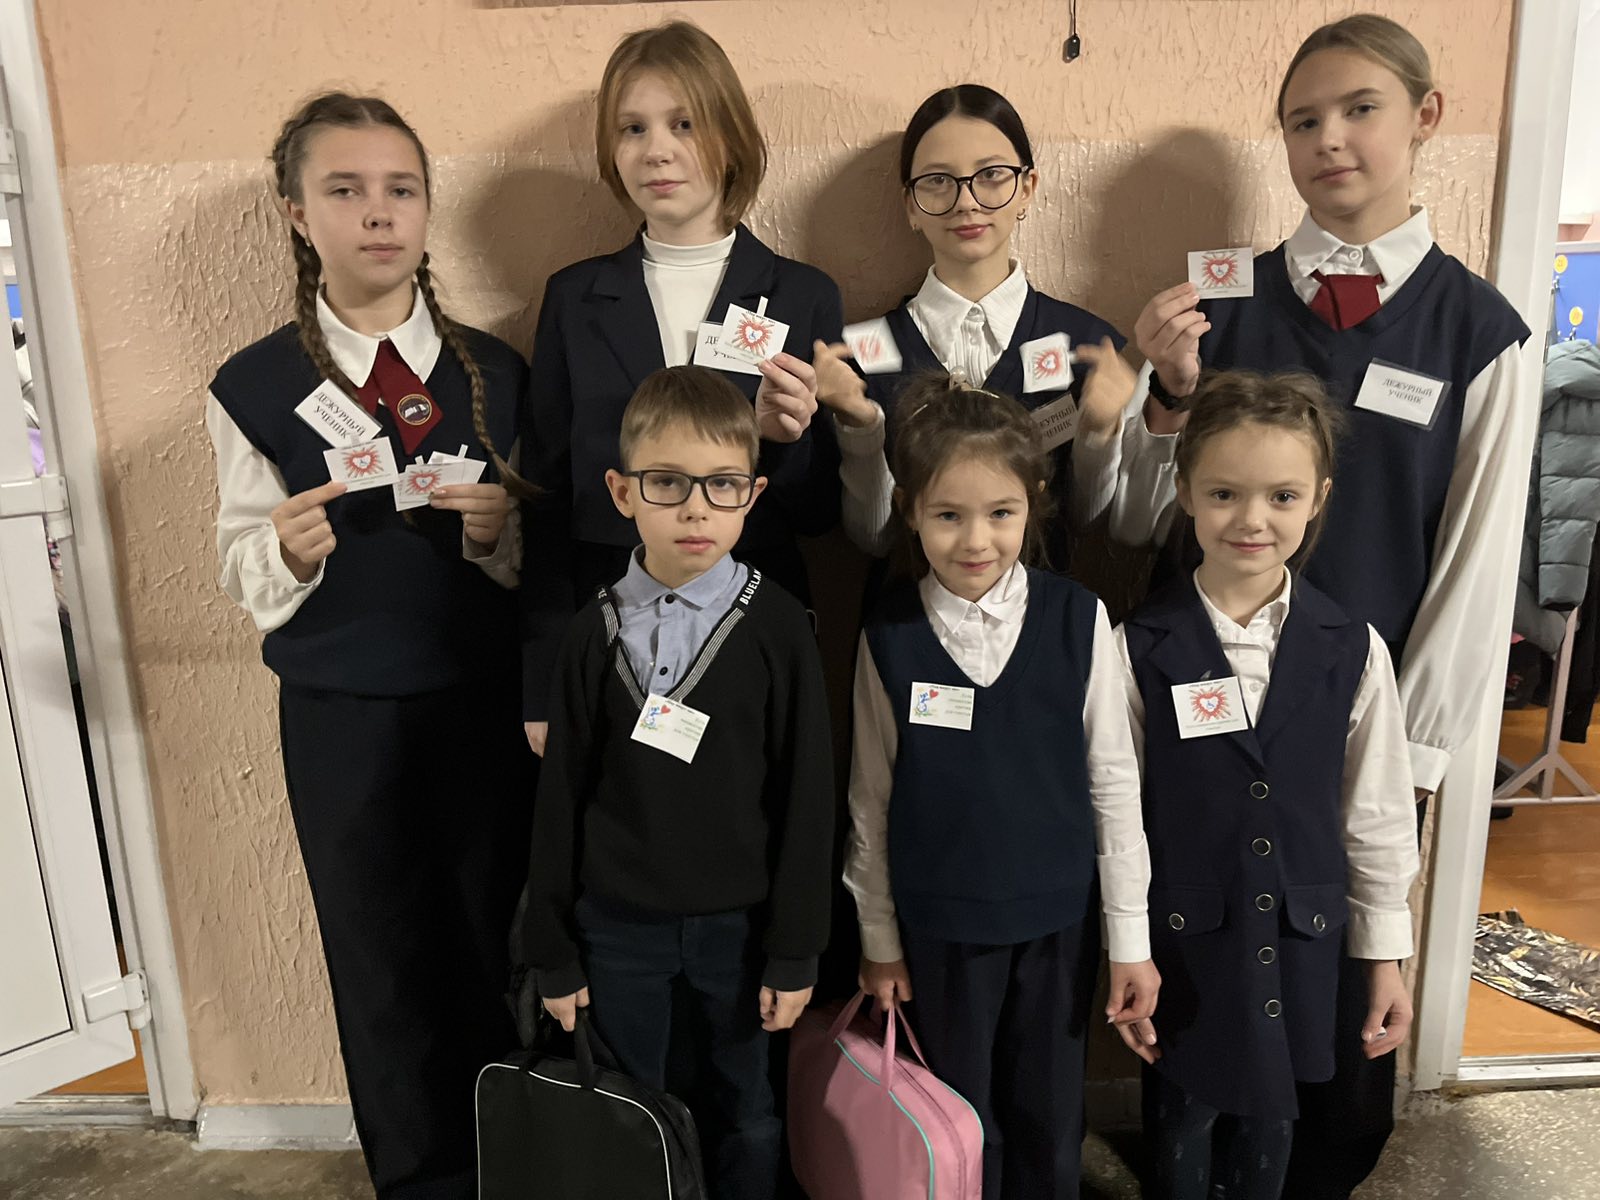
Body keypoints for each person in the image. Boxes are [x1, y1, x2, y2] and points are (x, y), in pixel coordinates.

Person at [1101, 17, 1529, 1190]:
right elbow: (1135, 517)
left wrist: (1416, 756)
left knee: (1335, 1034)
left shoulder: (1477, 331)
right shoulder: (1220, 302)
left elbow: (1476, 559)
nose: (1329, 139)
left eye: (1359, 109)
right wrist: (1164, 398)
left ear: (1423, 118)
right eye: (1302, 119)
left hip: (1355, 736)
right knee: (1198, 1002)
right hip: (1201, 718)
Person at [206, 92, 532, 1200]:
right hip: (340, 716)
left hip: (483, 706)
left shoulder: (496, 373)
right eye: (344, 191)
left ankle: (518, 1161)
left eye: (401, 190)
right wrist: (285, 553)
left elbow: (540, 567)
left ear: (429, 209)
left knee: (496, 940)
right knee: (379, 958)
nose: (378, 214)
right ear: (298, 213)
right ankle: (420, 1178)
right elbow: (240, 563)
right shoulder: (256, 386)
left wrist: (495, 538)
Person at [524, 365, 835, 1200]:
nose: (696, 509)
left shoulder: (779, 627)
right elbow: (560, 801)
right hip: (618, 929)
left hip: (741, 931)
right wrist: (551, 950)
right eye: (667, 483)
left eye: (722, 484)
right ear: (623, 492)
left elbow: (808, 798)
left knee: (749, 1112)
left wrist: (796, 949)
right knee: (634, 1109)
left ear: (753, 495)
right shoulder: (592, 632)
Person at [843, 376, 1157, 1198]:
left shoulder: (1077, 618)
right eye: (949, 515)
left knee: (1050, 1119)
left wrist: (1129, 938)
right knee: (954, 1122)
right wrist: (879, 938)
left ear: (1034, 505)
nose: (975, 539)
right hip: (940, 932)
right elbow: (870, 797)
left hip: (1058, 926)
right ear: (909, 510)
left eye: (1000, 513)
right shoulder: (890, 635)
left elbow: (1113, 782)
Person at [1115, 371, 1419, 1200]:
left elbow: (1376, 816)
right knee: (1180, 1118)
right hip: (1187, 944)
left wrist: (1385, 959)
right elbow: (1117, 813)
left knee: (1275, 1126)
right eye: (1225, 494)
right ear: (1184, 491)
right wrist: (1126, 945)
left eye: (1282, 496)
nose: (1253, 520)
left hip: (1303, 940)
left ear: (1319, 498)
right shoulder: (1136, 646)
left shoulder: (1354, 647)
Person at [520, 20, 843, 755]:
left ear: (731, 137)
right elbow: (543, 496)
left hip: (754, 631)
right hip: (609, 636)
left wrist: (785, 442)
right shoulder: (574, 299)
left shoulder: (802, 296)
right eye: (632, 128)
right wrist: (542, 677)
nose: (656, 149)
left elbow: (821, 515)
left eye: (684, 124)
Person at [814, 84, 1132, 570]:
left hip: (1040, 607)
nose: (966, 201)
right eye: (937, 180)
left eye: (991, 175)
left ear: (1026, 188)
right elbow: (874, 540)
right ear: (910, 205)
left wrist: (1098, 432)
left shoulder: (1086, 347)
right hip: (907, 610)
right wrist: (862, 429)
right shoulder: (854, 360)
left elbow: (1083, 522)